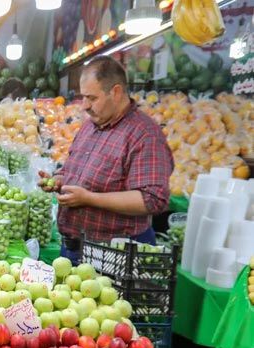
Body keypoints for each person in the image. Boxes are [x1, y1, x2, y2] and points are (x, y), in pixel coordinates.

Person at [38, 56, 173, 264]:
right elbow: (73, 170)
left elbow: (153, 199)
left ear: (116, 92)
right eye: (83, 97)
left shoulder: (144, 134)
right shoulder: (90, 126)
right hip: (73, 249)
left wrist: (89, 198)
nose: (85, 105)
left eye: (92, 98)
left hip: (113, 259)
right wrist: (59, 179)